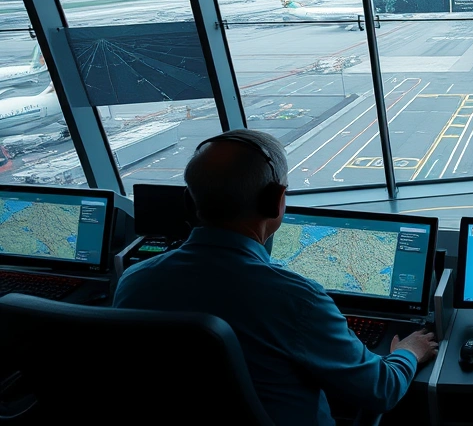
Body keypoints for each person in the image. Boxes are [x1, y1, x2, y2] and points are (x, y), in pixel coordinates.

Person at [114, 129, 437, 426]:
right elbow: (381, 391)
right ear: (276, 200)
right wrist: (410, 351)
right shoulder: (296, 298)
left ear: (189, 200)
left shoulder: (134, 281)